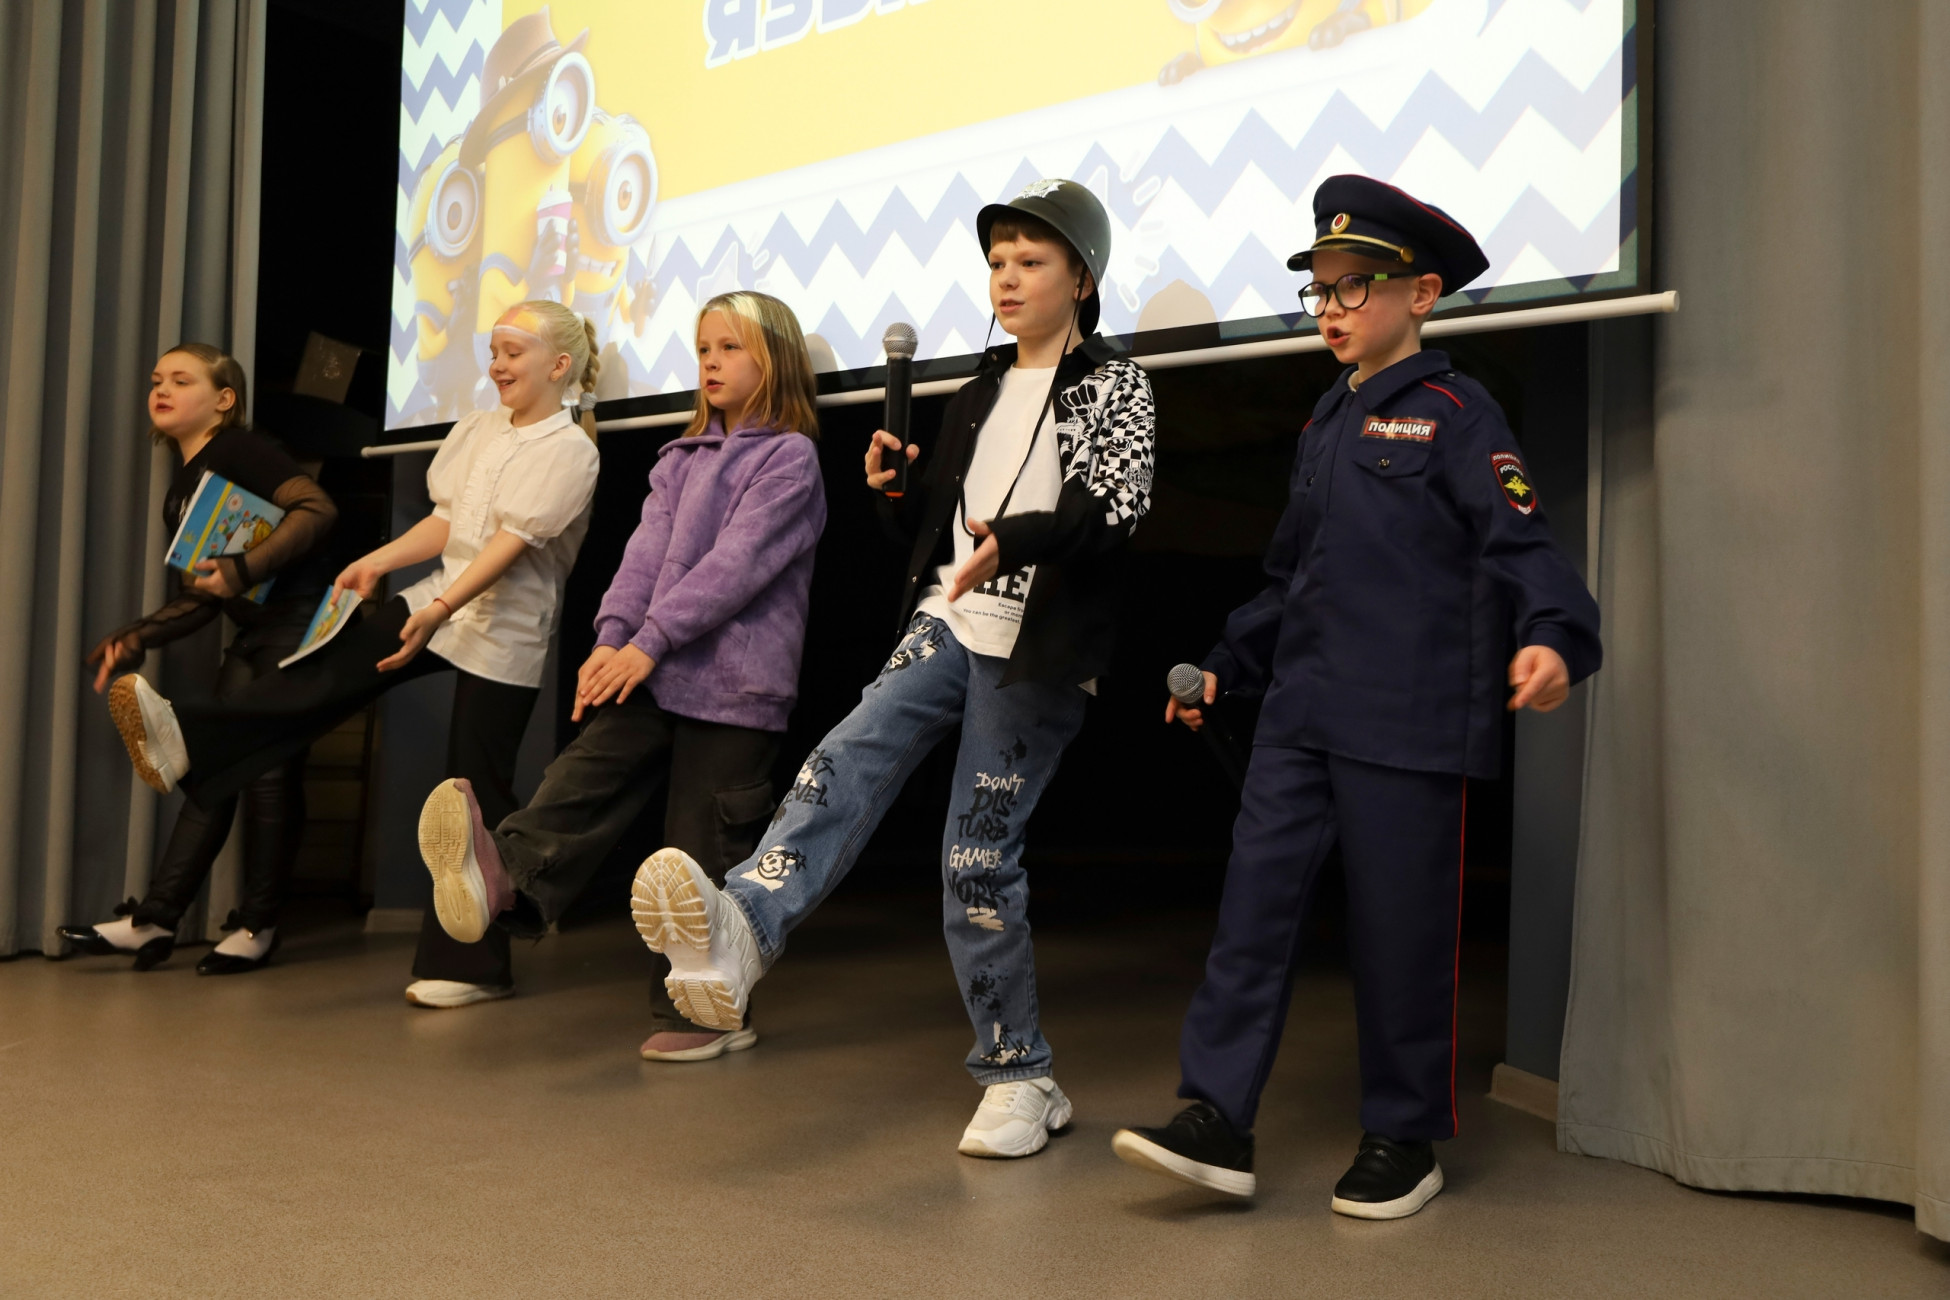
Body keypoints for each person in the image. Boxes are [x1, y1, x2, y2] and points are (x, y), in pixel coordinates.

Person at [624, 179, 1156, 1155]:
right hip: (949, 617)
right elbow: (939, 531)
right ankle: (743, 927)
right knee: (842, 758)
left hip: (1038, 644)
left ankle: (1020, 1073)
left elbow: (1113, 508)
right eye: (996, 263)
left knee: (975, 856)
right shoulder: (979, 388)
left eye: (1030, 261)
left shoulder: (1117, 385)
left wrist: (1016, 539)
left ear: (1083, 278)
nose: (1006, 278)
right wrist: (895, 495)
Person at [1109, 175, 1603, 1216]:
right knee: (1252, 914)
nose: (1330, 308)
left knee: (1401, 933)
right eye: (1319, 289)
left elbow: (1524, 542)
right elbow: (1293, 578)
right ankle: (1216, 1117)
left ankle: (1403, 1136)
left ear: (1421, 294)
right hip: (1300, 717)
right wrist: (1228, 664)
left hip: (1409, 724)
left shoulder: (1460, 414)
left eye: (1353, 286)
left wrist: (1554, 637)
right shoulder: (1325, 420)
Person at [103, 300, 602, 1000]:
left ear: (559, 365)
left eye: (512, 353)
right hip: (439, 599)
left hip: (504, 633)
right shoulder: (479, 428)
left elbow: (508, 546)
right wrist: (376, 561)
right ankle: (190, 738)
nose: (496, 365)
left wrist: (438, 609)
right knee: (325, 670)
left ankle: (471, 968)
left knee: (473, 795)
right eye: (493, 351)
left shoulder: (570, 449)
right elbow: (448, 523)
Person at [415, 290, 826, 1059]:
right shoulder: (679, 459)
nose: (710, 362)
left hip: (734, 688)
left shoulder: (789, 458)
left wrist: (649, 641)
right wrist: (611, 639)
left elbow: (736, 567)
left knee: (696, 853)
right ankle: (503, 873)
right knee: (582, 777)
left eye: (730, 348)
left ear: (774, 359)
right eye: (703, 349)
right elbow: (640, 562)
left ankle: (701, 1014)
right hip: (655, 666)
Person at [59, 344, 338, 973]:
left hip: (299, 625)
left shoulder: (238, 449)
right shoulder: (182, 491)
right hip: (255, 632)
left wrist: (244, 567)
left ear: (223, 400)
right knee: (215, 768)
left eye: (182, 380)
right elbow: (206, 594)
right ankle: (155, 921)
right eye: (157, 379)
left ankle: (259, 925)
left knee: (269, 773)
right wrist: (139, 635)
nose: (162, 389)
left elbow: (317, 509)